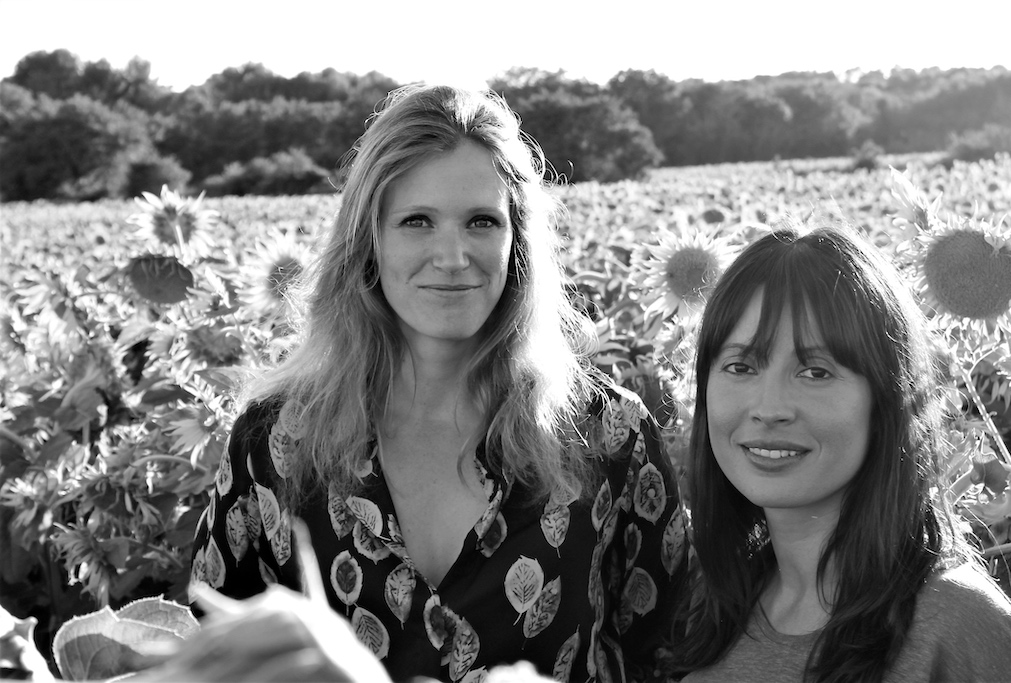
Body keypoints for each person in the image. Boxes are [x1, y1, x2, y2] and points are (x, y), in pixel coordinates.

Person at [189, 83, 684, 683]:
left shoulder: (609, 435)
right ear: (368, 240)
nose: (452, 256)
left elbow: (663, 653)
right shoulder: (275, 444)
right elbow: (212, 656)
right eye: (417, 221)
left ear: (518, 242)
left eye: (482, 221)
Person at [666, 222, 1011, 682]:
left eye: (815, 372)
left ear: (889, 398)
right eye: (740, 366)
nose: (769, 409)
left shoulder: (958, 628)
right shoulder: (711, 606)